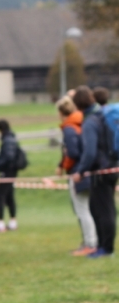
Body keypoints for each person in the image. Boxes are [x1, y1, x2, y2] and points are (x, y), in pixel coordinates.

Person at [71, 86, 117, 257]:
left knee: (102, 210)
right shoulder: (101, 115)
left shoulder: (90, 122)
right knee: (102, 208)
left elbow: (89, 151)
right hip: (111, 166)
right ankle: (102, 246)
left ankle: (106, 248)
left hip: (101, 171)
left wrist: (80, 171)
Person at [55, 95, 97, 256]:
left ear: (61, 112)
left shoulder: (69, 128)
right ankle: (91, 241)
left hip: (77, 172)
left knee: (82, 211)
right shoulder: (82, 122)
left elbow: (72, 152)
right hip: (88, 171)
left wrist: (65, 165)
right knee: (88, 210)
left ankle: (90, 243)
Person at [0, 119, 21, 232]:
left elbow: (9, 157)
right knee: (9, 197)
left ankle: (0, 224)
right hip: (12, 172)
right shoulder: (12, 138)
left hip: (7, 172)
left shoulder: (7, 140)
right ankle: (13, 223)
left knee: (0, 197)